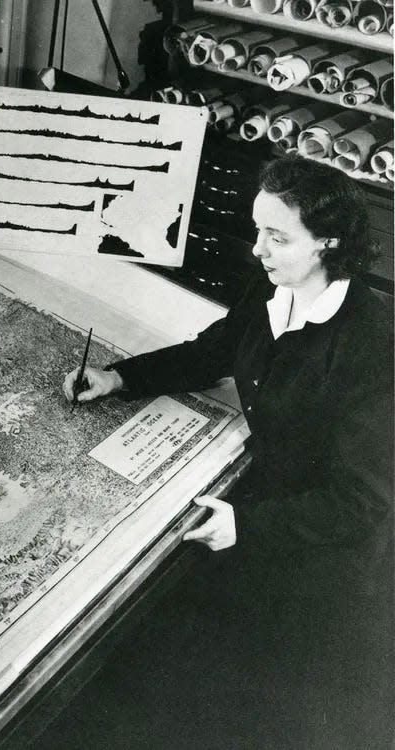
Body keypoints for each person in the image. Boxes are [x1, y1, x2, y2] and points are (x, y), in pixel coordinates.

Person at [61, 155, 394, 748]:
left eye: (277, 237)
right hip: (266, 500)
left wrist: (247, 525)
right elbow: (211, 350)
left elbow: (361, 503)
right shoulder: (274, 286)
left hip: (321, 557)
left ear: (329, 242)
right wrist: (118, 377)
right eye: (257, 229)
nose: (257, 249)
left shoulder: (372, 347)